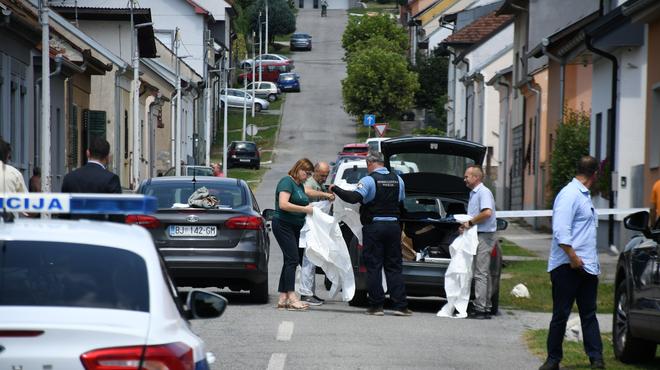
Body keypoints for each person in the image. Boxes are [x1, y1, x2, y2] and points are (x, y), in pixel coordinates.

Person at [539, 156, 604, 370]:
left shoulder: (584, 196)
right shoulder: (569, 194)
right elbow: (561, 230)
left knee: (589, 314)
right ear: (594, 174)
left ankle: (596, 358)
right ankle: (553, 359)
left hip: (587, 266)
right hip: (567, 265)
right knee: (561, 314)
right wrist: (573, 257)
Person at [330, 151, 411, 316]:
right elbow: (401, 203)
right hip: (394, 227)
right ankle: (400, 306)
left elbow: (353, 198)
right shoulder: (398, 180)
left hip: (374, 227)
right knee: (394, 267)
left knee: (374, 266)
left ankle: (377, 306)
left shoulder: (368, 180)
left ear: (370, 163)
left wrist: (335, 188)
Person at [273, 158, 315, 311]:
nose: (307, 176)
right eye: (306, 173)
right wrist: (306, 210)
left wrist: (313, 206)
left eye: (310, 174)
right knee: (293, 259)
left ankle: (283, 297)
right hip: (283, 224)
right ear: (298, 169)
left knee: (289, 260)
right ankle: (292, 296)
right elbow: (283, 204)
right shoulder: (286, 182)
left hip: (296, 226)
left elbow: (303, 203)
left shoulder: (300, 186)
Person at [460, 165, 497, 320]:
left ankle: (480, 308)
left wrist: (470, 223)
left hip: (484, 236)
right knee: (483, 272)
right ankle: (485, 306)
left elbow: (487, 212)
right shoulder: (474, 193)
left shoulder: (483, 192)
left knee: (480, 273)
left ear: (476, 177)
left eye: (467, 176)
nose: (465, 179)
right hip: (478, 234)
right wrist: (466, 226)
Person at [300, 161, 335, 306]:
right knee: (308, 260)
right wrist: (325, 195)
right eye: (322, 175)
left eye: (326, 175)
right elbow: (307, 191)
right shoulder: (310, 182)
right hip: (308, 227)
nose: (324, 178)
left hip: (315, 227)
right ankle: (305, 294)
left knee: (313, 260)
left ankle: (310, 292)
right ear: (315, 172)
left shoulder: (319, 184)